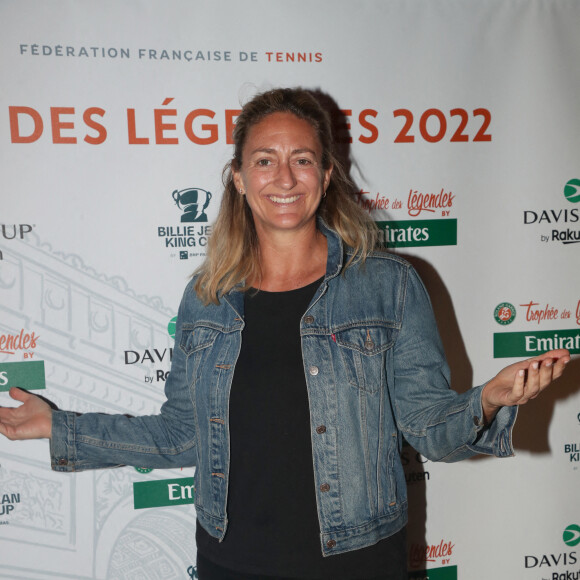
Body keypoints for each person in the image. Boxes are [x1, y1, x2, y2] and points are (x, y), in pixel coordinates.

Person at [0, 88, 570, 580]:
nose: (284, 177)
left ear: (325, 176)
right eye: (265, 160)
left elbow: (428, 430)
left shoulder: (387, 284)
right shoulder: (206, 296)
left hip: (358, 559)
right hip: (232, 558)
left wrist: (489, 401)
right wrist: (61, 427)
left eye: (302, 160)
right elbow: (182, 436)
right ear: (240, 178)